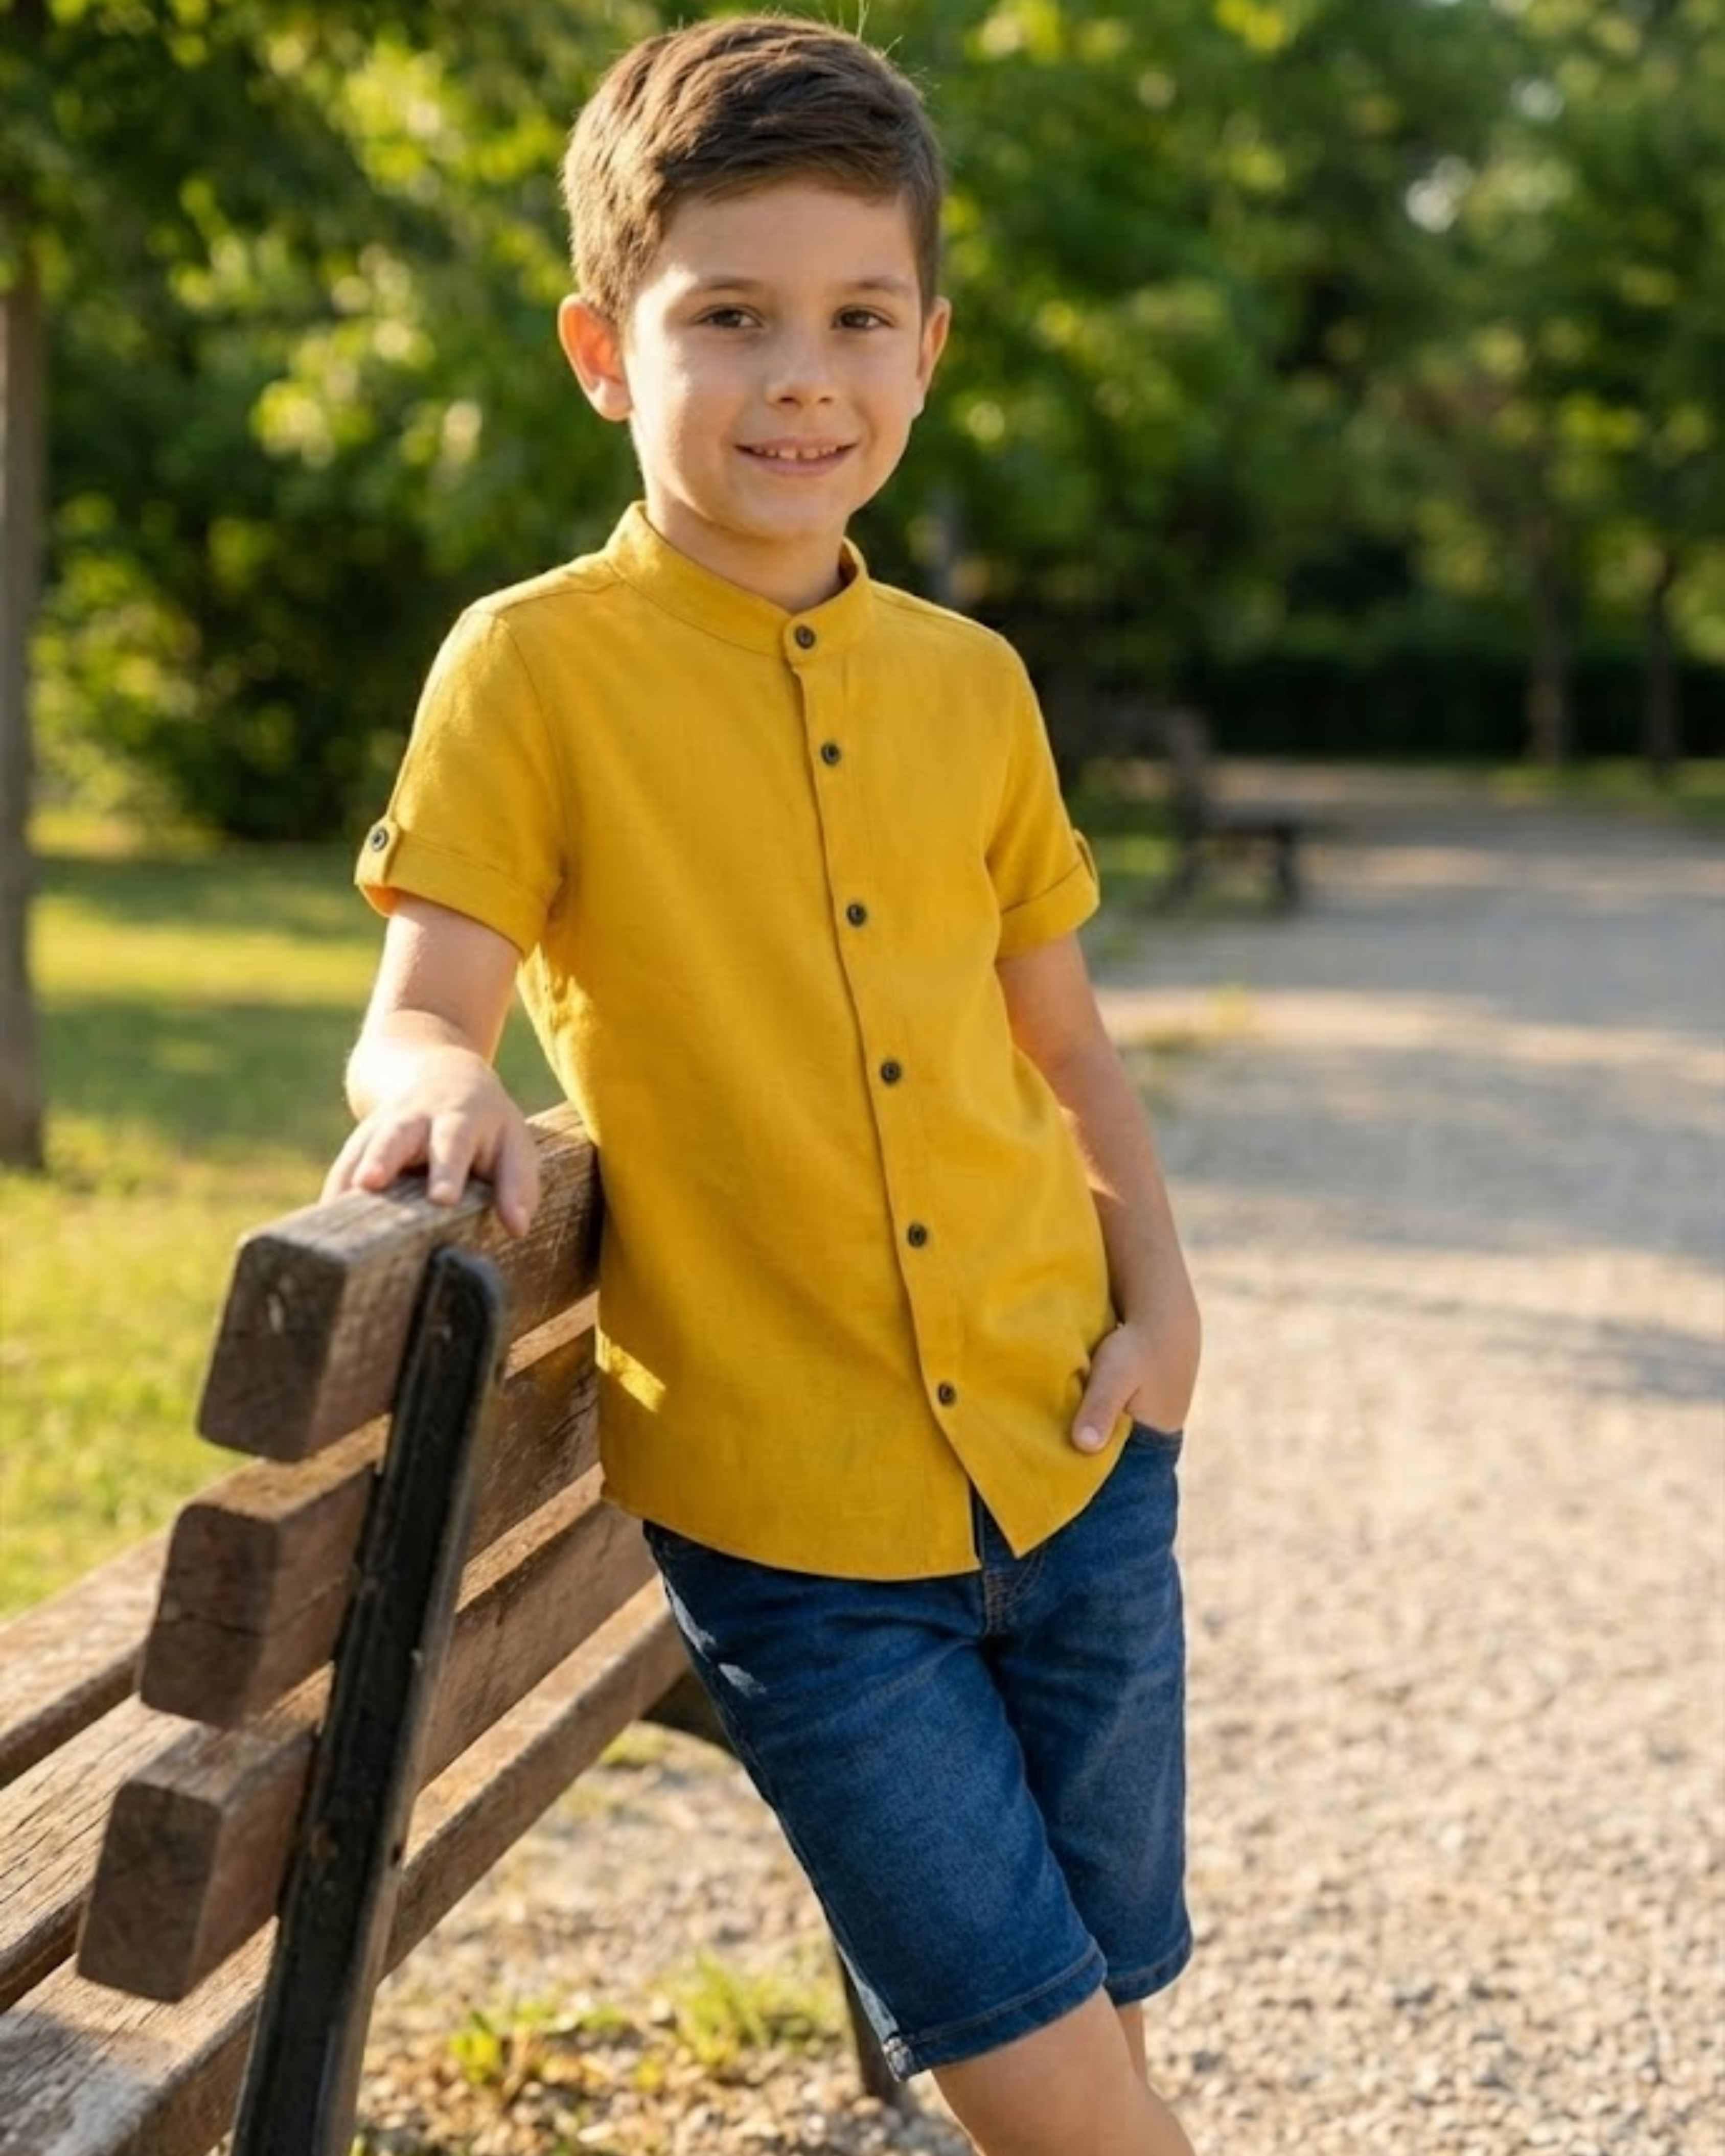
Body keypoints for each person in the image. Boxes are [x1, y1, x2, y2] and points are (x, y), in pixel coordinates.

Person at [324, 17, 1202, 2153]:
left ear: (925, 353)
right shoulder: (528, 667)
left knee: (1095, 1998)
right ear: (604, 350)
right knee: (1035, 2049)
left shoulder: (974, 687)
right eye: (731, 316)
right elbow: (420, 999)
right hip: (794, 1535)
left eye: (855, 317)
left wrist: (1165, 1305)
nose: (802, 374)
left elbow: (1061, 1038)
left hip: (1074, 1454)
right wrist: (440, 1083)